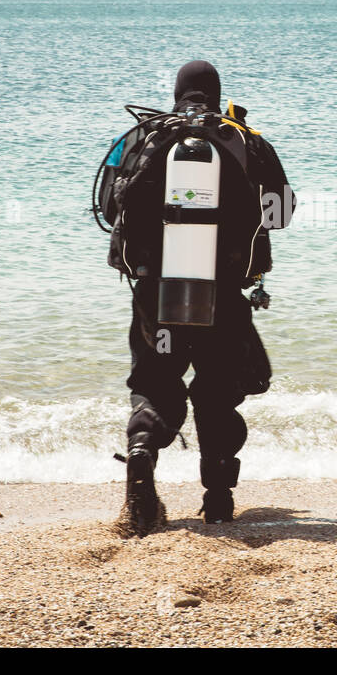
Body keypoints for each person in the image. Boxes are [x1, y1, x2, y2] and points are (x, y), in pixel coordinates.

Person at [104, 60, 295, 537]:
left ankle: (143, 449)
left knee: (155, 378)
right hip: (224, 293)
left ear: (176, 94)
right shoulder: (245, 139)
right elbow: (283, 212)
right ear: (217, 94)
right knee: (217, 391)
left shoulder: (140, 138)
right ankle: (217, 500)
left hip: (155, 291)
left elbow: (108, 206)